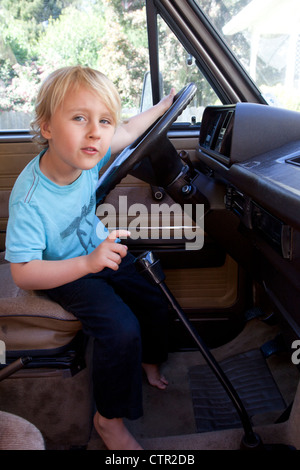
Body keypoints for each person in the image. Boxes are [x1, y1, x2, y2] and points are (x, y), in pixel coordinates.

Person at [5, 65, 176, 450]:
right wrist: (87, 263)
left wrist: (166, 105)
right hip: (66, 271)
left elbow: (130, 130)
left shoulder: (86, 155)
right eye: (79, 118)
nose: (96, 132)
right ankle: (108, 419)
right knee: (120, 329)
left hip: (97, 250)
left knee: (154, 290)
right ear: (47, 127)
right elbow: (24, 273)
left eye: (103, 120)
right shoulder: (31, 199)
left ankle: (150, 358)